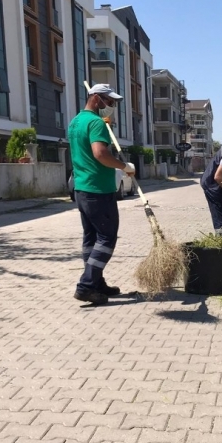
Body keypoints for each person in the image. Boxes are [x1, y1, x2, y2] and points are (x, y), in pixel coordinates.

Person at [68, 83, 135, 305]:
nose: (111, 105)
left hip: (82, 189)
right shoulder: (96, 123)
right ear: (96, 98)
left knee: (91, 239)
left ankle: (97, 283)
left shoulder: (76, 121)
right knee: (106, 238)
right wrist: (123, 167)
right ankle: (86, 286)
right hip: (99, 190)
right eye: (109, 101)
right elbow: (100, 153)